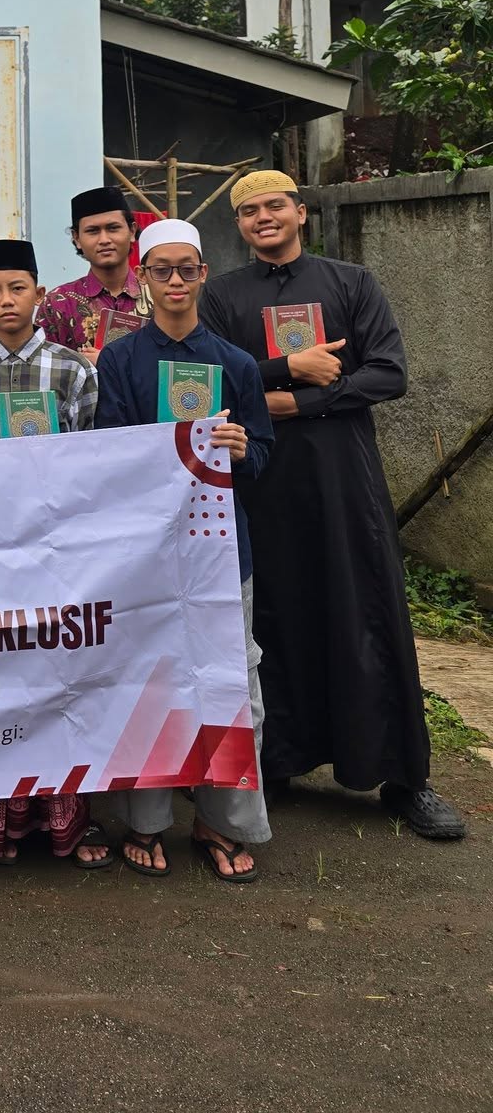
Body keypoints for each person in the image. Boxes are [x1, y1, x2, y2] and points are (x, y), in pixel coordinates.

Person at [199, 170, 465, 842]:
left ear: (301, 213)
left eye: (274, 206)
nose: (263, 218)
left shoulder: (352, 283)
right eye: (249, 211)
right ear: (239, 225)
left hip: (346, 481)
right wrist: (287, 372)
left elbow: (389, 372)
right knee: (275, 617)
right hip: (262, 483)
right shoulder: (224, 296)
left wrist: (302, 401)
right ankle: (276, 760)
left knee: (366, 612)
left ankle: (405, 777)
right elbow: (207, 379)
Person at [96, 218, 274, 881]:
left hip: (224, 553)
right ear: (143, 278)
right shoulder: (119, 362)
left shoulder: (235, 364)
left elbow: (263, 454)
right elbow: (107, 457)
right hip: (145, 554)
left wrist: (239, 449)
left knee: (234, 687)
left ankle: (222, 821)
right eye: (161, 269)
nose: (175, 281)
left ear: (203, 274)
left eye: (187, 269)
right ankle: (147, 822)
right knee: (152, 685)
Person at [0, 238, 107, 868]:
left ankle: (65, 820)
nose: (7, 302)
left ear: (39, 293)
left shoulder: (73, 370)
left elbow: (92, 463)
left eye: (18, 289)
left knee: (61, 677)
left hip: (55, 553)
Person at [40, 186, 145, 361]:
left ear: (132, 231)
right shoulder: (57, 304)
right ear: (77, 238)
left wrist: (107, 362)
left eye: (113, 228)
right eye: (93, 231)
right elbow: (47, 372)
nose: (104, 240)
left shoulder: (158, 296)